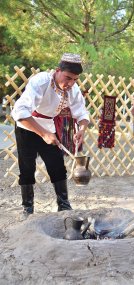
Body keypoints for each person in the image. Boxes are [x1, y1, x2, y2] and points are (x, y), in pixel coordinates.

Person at [11, 53, 90, 215]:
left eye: (75, 79)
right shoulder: (41, 81)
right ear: (57, 70)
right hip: (27, 126)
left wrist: (81, 129)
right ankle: (28, 208)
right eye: (68, 78)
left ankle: (64, 205)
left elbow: (81, 113)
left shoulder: (73, 89)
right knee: (27, 168)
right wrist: (43, 133)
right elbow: (19, 112)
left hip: (49, 126)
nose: (71, 83)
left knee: (57, 166)